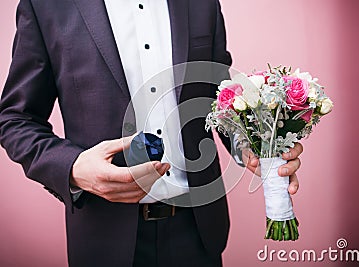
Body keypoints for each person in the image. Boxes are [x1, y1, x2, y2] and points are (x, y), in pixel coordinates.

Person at [0, 0, 302, 266]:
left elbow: (218, 96)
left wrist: (249, 144)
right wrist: (74, 168)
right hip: (104, 239)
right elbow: (15, 118)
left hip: (198, 231)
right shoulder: (44, 5)